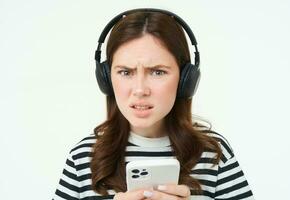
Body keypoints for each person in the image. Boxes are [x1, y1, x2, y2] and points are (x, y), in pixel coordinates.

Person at [53, 8, 254, 200]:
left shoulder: (213, 153)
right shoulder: (84, 157)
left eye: (158, 72)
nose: (140, 89)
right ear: (106, 79)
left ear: (185, 80)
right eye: (125, 72)